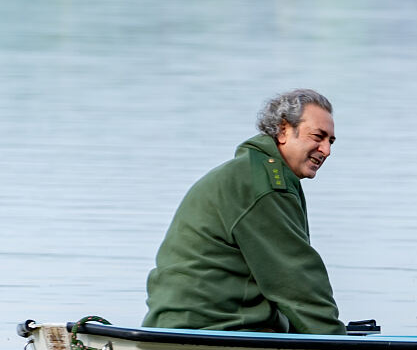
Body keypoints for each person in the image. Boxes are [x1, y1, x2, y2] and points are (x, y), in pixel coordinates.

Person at [144, 89, 346, 334]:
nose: (326, 150)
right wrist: (338, 344)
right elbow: (295, 279)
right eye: (318, 137)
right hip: (210, 328)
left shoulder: (254, 171)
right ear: (283, 131)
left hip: (174, 325)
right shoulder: (265, 184)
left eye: (330, 141)